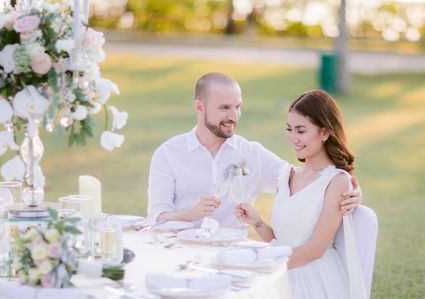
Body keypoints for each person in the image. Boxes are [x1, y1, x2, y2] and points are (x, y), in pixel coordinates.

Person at [147, 73, 361, 228]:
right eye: (224, 108)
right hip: (179, 254)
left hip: (232, 257)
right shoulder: (168, 154)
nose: (234, 116)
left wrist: (351, 189)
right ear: (199, 108)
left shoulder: (251, 153)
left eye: (237, 107)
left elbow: (302, 181)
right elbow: (156, 218)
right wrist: (189, 213)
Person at [235, 89, 367, 299]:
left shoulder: (336, 181)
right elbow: (282, 241)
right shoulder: (288, 175)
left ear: (325, 132)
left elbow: (316, 248)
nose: (293, 138)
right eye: (289, 129)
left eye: (301, 130)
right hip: (285, 269)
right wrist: (256, 221)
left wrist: (265, 263)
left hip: (313, 280)